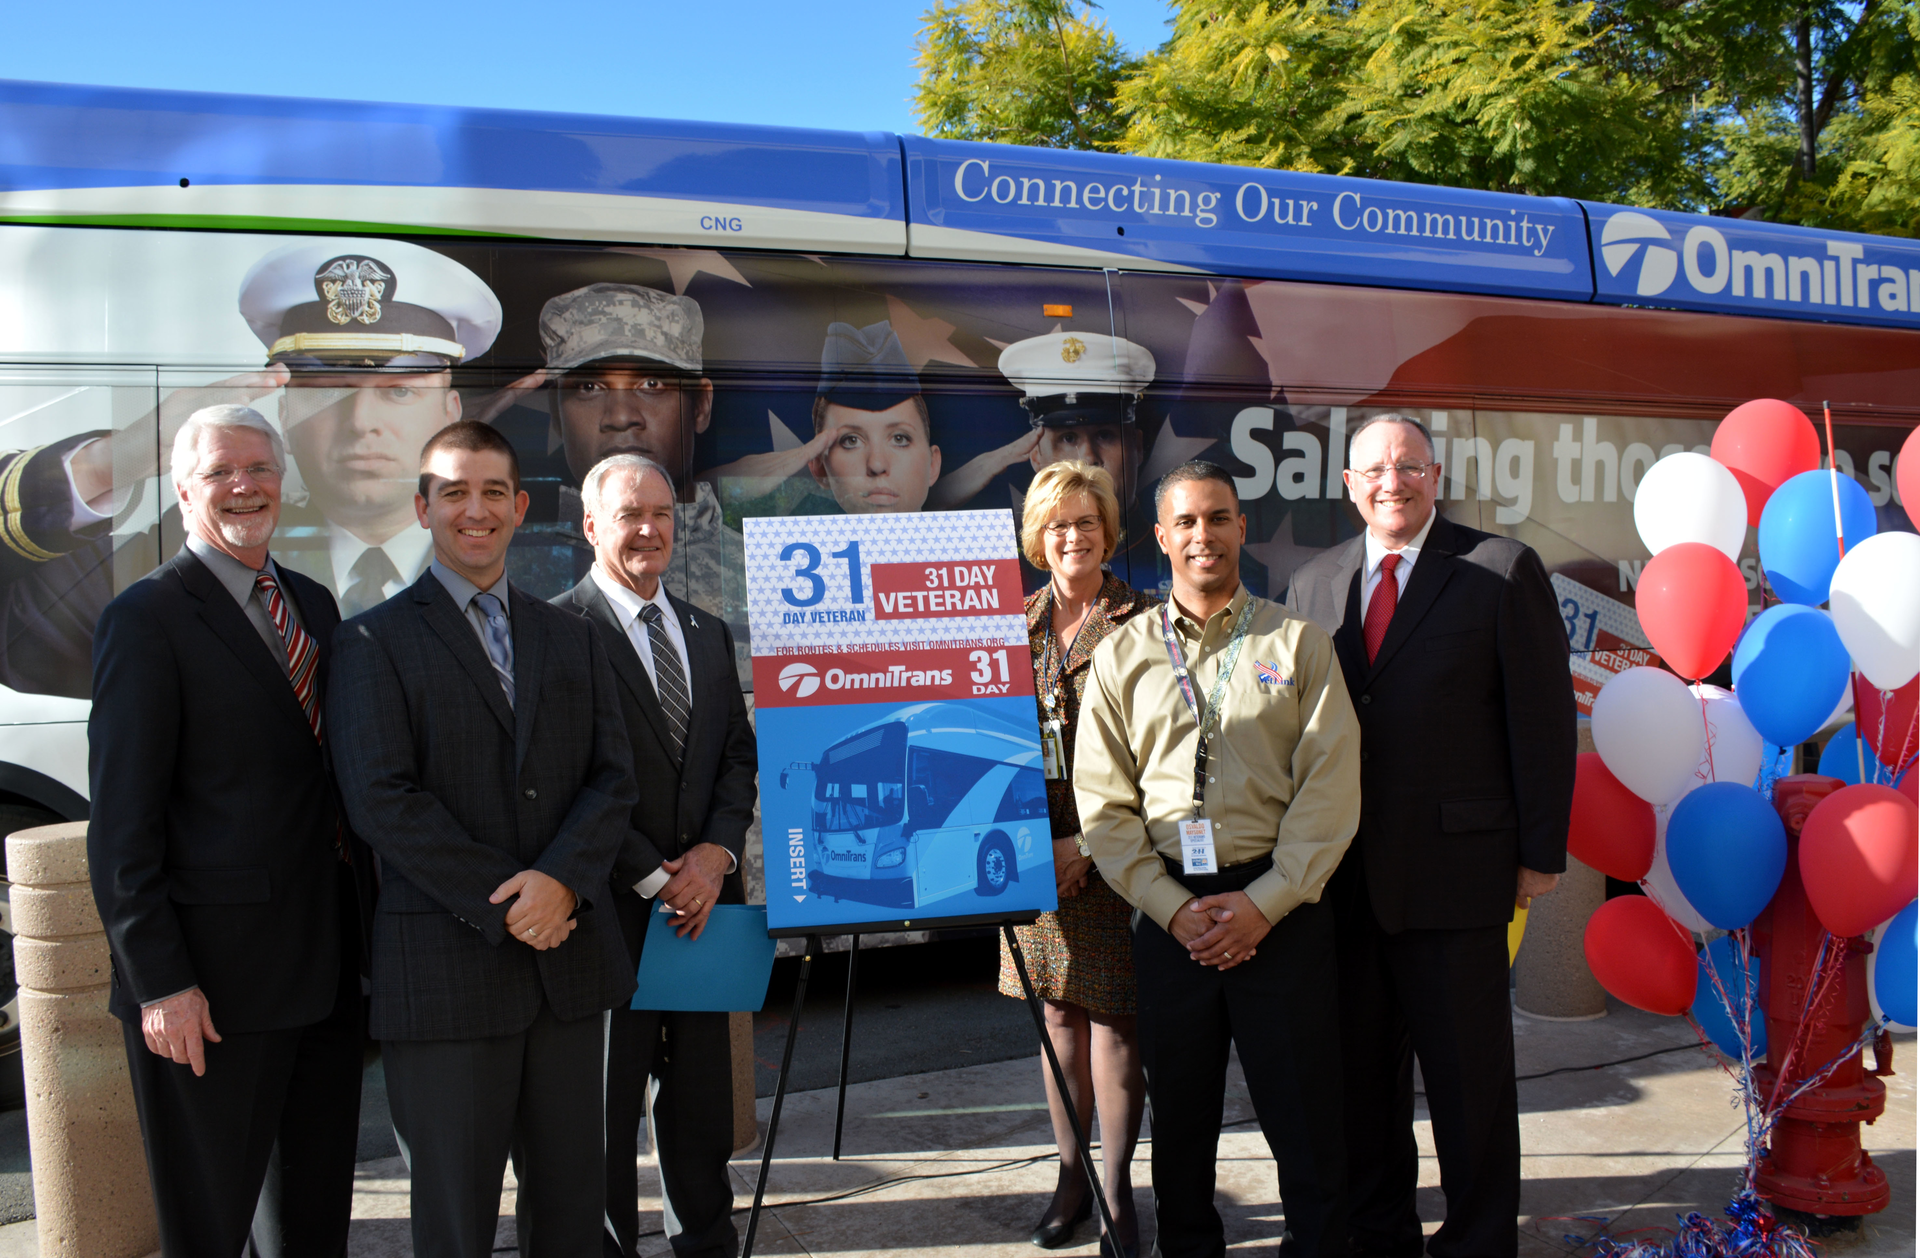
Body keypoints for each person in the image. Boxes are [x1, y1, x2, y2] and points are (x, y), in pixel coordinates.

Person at [326, 420, 638, 1257]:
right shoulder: (368, 642)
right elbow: (382, 801)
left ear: (520, 506)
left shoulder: (570, 632)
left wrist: (563, 884)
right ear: (423, 507)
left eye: (494, 492)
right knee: (455, 1223)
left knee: (574, 1218)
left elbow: (614, 778)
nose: (476, 510)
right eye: (455, 492)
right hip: (445, 975)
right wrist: (511, 901)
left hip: (568, 968)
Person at [1284, 414, 1577, 1258]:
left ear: (1435, 475)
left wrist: (1539, 854)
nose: (1392, 481)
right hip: (1343, 883)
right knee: (1364, 1082)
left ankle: (1479, 1238)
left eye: (1409, 466)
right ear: (1347, 484)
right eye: (1374, 468)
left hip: (1459, 876)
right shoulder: (1312, 582)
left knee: (1468, 1083)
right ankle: (1381, 1232)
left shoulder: (1499, 569)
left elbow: (1542, 721)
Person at [87, 404, 366, 1256]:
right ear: (182, 492)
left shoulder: (313, 603)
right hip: (211, 993)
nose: (243, 486)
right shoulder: (146, 619)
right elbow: (121, 827)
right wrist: (160, 982)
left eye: (258, 469)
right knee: (209, 1226)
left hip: (325, 974)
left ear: (284, 482)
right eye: (219, 472)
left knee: (314, 1220)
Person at [0, 239, 501, 699]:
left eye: (398, 391)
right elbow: (15, 635)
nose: (361, 422)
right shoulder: (204, 550)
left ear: (450, 412)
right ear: (285, 413)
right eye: (329, 394)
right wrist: (117, 460)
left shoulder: (517, 558)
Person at [1074, 459, 1361, 1258]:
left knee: (1306, 1123)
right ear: (1162, 538)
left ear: (1241, 528)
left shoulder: (1297, 643)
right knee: (1183, 1130)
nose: (1205, 535)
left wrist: (1265, 902)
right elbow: (1105, 806)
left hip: (1283, 915)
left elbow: (1329, 790)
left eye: (1220, 518)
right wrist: (1172, 909)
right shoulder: (1124, 654)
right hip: (1173, 921)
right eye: (1188, 522)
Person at [551, 453, 757, 1258]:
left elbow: (735, 756)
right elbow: (564, 775)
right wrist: (654, 873)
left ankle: (705, 1239)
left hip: (706, 909)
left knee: (704, 1095)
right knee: (604, 1105)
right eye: (629, 514)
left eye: (661, 514)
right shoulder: (558, 631)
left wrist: (714, 856)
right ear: (591, 526)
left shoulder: (704, 630)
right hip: (609, 914)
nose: (647, 529)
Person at [996, 461, 1155, 1258]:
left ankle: (1118, 1194)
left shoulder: (1145, 620)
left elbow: (1165, 755)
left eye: (1086, 523)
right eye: (1057, 525)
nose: (1072, 537)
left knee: (1118, 1024)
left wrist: (1089, 845)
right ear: (1037, 538)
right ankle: (1070, 1179)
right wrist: (1031, 843)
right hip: (1030, 846)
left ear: (1108, 533)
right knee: (1056, 1013)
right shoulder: (1011, 625)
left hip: (1116, 851)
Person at [470, 282, 749, 674]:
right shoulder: (502, 578)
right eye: (590, 387)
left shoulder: (763, 577)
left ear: (700, 405)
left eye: (651, 385)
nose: (620, 416)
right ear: (556, 412)